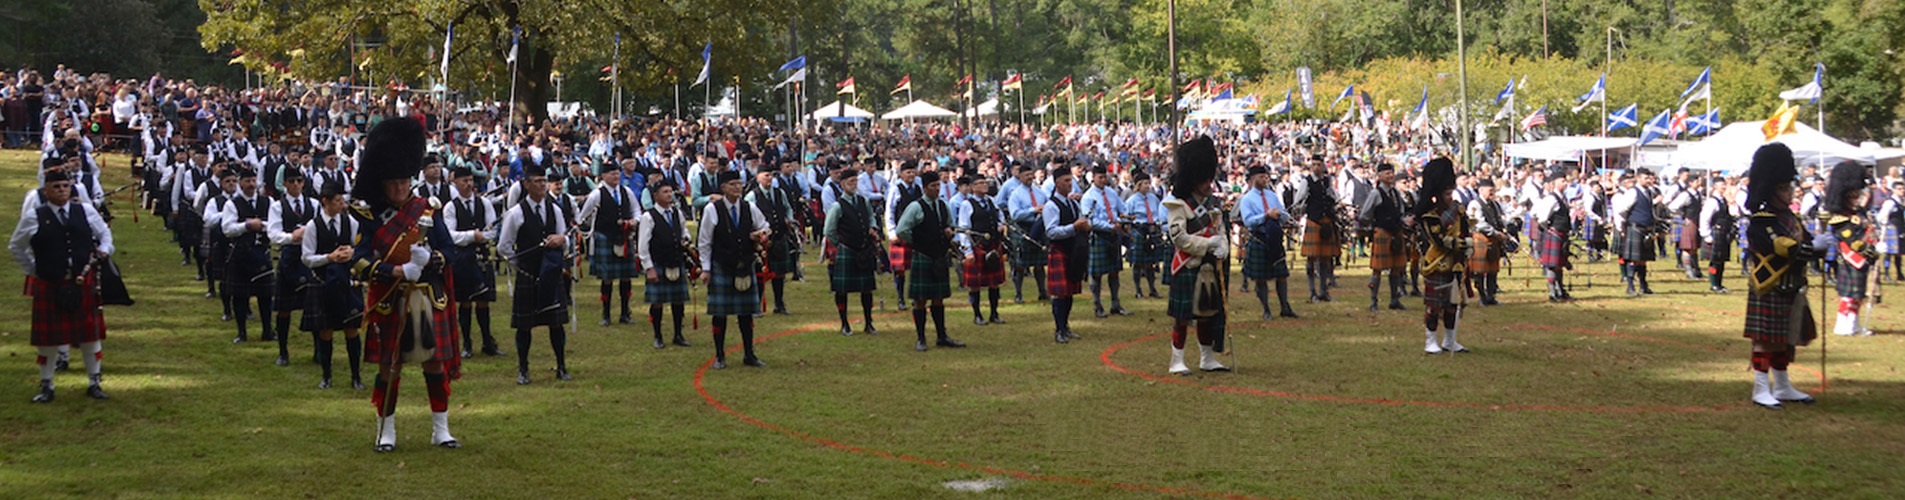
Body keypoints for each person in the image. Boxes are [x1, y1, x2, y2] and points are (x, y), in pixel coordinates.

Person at [348, 118, 461, 452]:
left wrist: (431, 261)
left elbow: (449, 249)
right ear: (382, 182)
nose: (399, 188)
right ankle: (386, 429)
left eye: (404, 181)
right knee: (390, 365)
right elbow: (359, 259)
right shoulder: (368, 217)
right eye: (393, 182)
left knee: (434, 362)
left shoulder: (427, 209)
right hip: (389, 297)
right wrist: (396, 271)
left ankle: (441, 429)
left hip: (427, 297)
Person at [11, 170, 114, 402]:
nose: (62, 190)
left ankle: (94, 382)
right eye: (56, 186)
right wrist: (34, 270)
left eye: (65, 186)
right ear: (46, 190)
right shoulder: (34, 217)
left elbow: (105, 235)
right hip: (50, 283)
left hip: (81, 280)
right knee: (47, 340)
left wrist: (104, 251)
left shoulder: (85, 211)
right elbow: (15, 246)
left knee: (89, 336)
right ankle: (47, 385)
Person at [1741, 143, 1820, 409]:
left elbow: (1804, 243)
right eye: (1785, 188)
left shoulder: (1791, 217)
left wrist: (1818, 245)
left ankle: (1783, 386)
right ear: (1772, 190)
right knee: (1765, 341)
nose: (1790, 192)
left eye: (1790, 187)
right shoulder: (1762, 220)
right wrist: (1810, 248)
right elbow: (1780, 247)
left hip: (1792, 285)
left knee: (1784, 341)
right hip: (1770, 285)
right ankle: (1760, 388)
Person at [498, 156, 574, 384]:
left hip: (551, 275)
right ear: (526, 184)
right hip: (529, 276)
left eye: (544, 181)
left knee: (556, 324)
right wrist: (522, 266)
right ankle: (523, 369)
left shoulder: (555, 210)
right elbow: (504, 245)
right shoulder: (516, 213)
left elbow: (566, 238)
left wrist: (561, 240)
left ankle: (561, 366)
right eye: (537, 181)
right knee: (524, 326)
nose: (542, 185)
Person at [1162, 137, 1230, 374]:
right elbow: (1179, 238)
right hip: (1187, 265)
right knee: (1182, 317)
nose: (1208, 184)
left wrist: (1223, 245)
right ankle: (1176, 360)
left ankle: (1207, 358)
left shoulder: (1212, 203)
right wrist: (1207, 243)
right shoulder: (1178, 205)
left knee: (1207, 314)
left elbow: (1220, 229)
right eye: (1204, 179)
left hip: (1208, 266)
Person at [698, 169, 772, 369]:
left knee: (746, 314)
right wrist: (706, 269)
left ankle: (749, 354)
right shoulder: (712, 209)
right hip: (722, 265)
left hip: (744, 265)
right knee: (720, 314)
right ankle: (720, 355)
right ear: (723, 188)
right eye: (733, 184)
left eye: (739, 184)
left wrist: (759, 234)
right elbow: (704, 242)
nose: (737, 187)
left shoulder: (749, 207)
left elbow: (766, 226)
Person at [300, 182, 366, 390]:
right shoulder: (313, 226)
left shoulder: (351, 222)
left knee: (352, 329)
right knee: (325, 331)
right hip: (323, 283)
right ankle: (326, 376)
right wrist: (330, 257)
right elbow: (307, 258)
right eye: (337, 201)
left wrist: (351, 254)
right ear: (325, 202)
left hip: (348, 282)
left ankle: (356, 377)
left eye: (342, 200)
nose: (342, 204)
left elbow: (361, 248)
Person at [894, 171, 966, 351]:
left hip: (939, 257)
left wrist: (949, 231)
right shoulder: (915, 207)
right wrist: (917, 242)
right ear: (924, 188)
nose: (936, 189)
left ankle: (942, 336)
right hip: (923, 256)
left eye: (938, 185)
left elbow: (949, 224)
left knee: (938, 298)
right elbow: (902, 229)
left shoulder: (943, 205)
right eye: (933, 186)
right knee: (920, 299)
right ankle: (921, 338)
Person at [442, 166, 505, 358]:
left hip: (482, 256)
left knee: (484, 301)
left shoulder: (484, 203)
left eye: (470, 180)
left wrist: (482, 236)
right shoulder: (450, 207)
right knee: (466, 302)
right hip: (462, 259)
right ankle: (467, 344)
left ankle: (488, 342)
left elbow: (493, 231)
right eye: (464, 181)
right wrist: (472, 235)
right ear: (456, 183)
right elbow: (449, 235)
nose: (469, 184)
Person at [1413, 159, 1472, 354]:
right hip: (1437, 263)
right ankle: (1430, 341)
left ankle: (1449, 340)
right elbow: (1438, 239)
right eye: (1447, 194)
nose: (1450, 197)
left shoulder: (1459, 210)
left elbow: (1465, 231)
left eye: (1451, 193)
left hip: (1455, 264)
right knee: (1434, 306)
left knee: (1452, 305)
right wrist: (1460, 244)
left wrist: (1468, 246)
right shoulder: (1430, 215)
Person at [266, 170, 319, 366]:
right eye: (292, 181)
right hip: (289, 256)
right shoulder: (277, 206)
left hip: (310, 256)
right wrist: (292, 237)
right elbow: (273, 233)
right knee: (284, 309)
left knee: (314, 307)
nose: (296, 184)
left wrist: (307, 233)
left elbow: (320, 226)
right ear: (285, 184)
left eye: (299, 181)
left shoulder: (313, 204)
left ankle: (318, 351)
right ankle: (283, 351)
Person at [222, 167, 278, 347]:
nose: (251, 184)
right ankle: (241, 332)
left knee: (266, 295)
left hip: (262, 253)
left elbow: (276, 225)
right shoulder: (232, 204)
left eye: (253, 181)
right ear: (240, 183)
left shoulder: (268, 201)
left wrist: (260, 225)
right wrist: (246, 225)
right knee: (240, 296)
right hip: (241, 254)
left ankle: (267, 330)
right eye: (247, 181)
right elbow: (227, 229)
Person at [578, 167, 640, 325]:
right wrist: (598, 230)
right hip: (605, 238)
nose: (616, 176)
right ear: (603, 176)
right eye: (612, 173)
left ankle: (625, 313)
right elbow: (583, 217)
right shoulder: (596, 195)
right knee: (607, 278)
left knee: (626, 278)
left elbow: (636, 210)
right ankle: (606, 315)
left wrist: (635, 221)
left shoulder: (627, 192)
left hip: (624, 238)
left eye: (617, 173)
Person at [637, 180, 694, 349]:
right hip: (658, 263)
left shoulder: (677, 213)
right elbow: (642, 246)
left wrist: (686, 240)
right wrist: (649, 268)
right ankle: (658, 336)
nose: (669, 194)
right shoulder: (648, 216)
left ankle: (678, 334)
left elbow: (685, 231)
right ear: (656, 195)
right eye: (665, 192)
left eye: (670, 191)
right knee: (657, 302)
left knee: (678, 301)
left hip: (676, 261)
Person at [825, 167, 882, 336]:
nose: (854, 184)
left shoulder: (863, 201)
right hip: (847, 251)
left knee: (867, 289)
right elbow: (829, 230)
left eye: (855, 181)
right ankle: (844, 324)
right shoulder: (837, 206)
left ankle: (868, 323)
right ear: (842, 184)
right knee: (842, 290)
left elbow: (871, 217)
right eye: (850, 182)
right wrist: (841, 244)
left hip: (864, 249)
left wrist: (872, 228)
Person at [1823, 161, 1878, 336]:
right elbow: (1851, 240)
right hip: (1851, 258)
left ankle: (1853, 323)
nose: (1857, 200)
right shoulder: (1840, 218)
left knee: (1859, 293)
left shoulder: (1858, 213)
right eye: (1854, 197)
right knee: (1849, 293)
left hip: (1861, 259)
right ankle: (1842, 324)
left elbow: (1867, 230)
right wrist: (1869, 250)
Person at [1238, 165, 1297, 319]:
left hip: (1275, 238)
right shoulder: (1247, 199)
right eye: (1261, 177)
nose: (1265, 179)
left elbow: (1284, 213)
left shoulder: (1272, 195)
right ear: (1252, 179)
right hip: (1259, 238)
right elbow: (1249, 221)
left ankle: (1285, 307)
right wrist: (1266, 215)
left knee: (1282, 275)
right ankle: (1266, 310)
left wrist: (1280, 215)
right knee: (1261, 278)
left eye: (1266, 176)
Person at [1043, 164, 1090, 344]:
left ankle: (1066, 326)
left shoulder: (1072, 203)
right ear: (1057, 183)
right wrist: (1074, 227)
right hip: (1059, 250)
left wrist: (1085, 226)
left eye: (1071, 180)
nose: (1070, 184)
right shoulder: (1050, 206)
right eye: (1066, 181)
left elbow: (1081, 221)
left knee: (1069, 292)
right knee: (1060, 294)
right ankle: (1059, 329)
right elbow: (1051, 232)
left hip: (1073, 251)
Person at [747, 163, 798, 315]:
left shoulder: (779, 192)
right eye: (766, 175)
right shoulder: (752, 196)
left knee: (780, 273)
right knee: (760, 273)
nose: (770, 178)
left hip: (780, 236)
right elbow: (747, 216)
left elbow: (788, 207)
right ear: (758, 178)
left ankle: (779, 304)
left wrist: (789, 219)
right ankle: (756, 306)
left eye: (771, 175)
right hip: (762, 240)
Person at [1081, 166, 1131, 317]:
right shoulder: (1088, 197)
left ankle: (1116, 304)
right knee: (1096, 274)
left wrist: (1121, 221)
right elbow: (1089, 219)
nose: (1103, 180)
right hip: (1099, 235)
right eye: (1100, 177)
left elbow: (1123, 209)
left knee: (1114, 271)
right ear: (1093, 178)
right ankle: (1097, 305)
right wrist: (1109, 226)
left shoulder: (1111, 193)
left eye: (1105, 177)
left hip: (1114, 236)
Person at [1359, 163, 1409, 312]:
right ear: (1379, 176)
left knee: (1396, 268)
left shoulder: (1395, 193)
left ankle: (1395, 300)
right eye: (1387, 173)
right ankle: (1373, 302)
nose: (1390, 176)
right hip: (1382, 232)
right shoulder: (1376, 193)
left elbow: (1400, 212)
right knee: (1377, 269)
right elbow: (1364, 214)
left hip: (1396, 232)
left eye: (1392, 173)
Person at [959, 175, 1008, 325]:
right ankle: (977, 315)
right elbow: (964, 229)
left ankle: (994, 313)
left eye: (985, 183)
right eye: (980, 183)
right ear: (972, 187)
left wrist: (1001, 225)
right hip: (977, 247)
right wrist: (968, 252)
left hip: (993, 245)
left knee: (994, 283)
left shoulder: (992, 201)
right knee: (976, 284)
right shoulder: (967, 205)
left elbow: (1000, 217)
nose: (984, 185)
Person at [1004, 163, 1050, 303]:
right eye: (1026, 175)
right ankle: (1018, 294)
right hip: (1022, 229)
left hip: (1039, 228)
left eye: (1031, 174)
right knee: (1020, 264)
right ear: (1020, 176)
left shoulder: (1040, 192)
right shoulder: (1015, 195)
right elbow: (1015, 215)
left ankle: (1042, 292)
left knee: (1039, 264)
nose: (1029, 177)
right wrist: (1033, 210)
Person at [1298, 157, 1342, 302]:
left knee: (1326, 258)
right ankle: (1312, 292)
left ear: (1323, 166)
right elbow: (1298, 202)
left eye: (1319, 164)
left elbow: (1334, 198)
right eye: (1314, 165)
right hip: (1314, 222)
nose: (1316, 167)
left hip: (1327, 222)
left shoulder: (1327, 181)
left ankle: (1324, 291)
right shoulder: (1306, 182)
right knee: (1311, 259)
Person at [1122, 171, 1168, 299]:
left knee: (1151, 262)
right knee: (1137, 262)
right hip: (1139, 230)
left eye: (1148, 183)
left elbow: (1158, 213)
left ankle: (1152, 289)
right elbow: (1126, 218)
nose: (1148, 186)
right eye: (1145, 183)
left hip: (1152, 229)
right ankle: (1138, 290)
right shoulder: (1131, 201)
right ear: (1138, 185)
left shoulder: (1153, 198)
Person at [1615, 169, 1661, 295]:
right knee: (1633, 259)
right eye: (1646, 178)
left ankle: (1643, 286)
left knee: (1643, 259)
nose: (1649, 180)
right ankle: (1630, 286)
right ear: (1639, 178)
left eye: (1650, 178)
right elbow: (1621, 209)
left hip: (1646, 228)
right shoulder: (1632, 192)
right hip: (1635, 227)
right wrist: (1627, 223)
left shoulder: (1649, 192)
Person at [884, 162, 923, 309]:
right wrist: (892, 233)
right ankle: (900, 298)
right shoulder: (896, 189)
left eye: (913, 172)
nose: (911, 175)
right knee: (900, 269)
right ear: (901, 175)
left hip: (917, 233)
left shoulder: (919, 189)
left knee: (917, 267)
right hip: (900, 233)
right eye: (908, 173)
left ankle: (915, 296)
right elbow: (890, 212)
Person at [1532, 172, 1574, 302]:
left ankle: (1560, 290)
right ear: (1554, 183)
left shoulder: (1563, 197)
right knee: (1552, 265)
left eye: (1565, 180)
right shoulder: (1551, 198)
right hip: (1555, 233)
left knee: (1559, 264)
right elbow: (1542, 217)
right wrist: (1551, 229)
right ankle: (1552, 292)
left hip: (1562, 234)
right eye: (1562, 181)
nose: (1565, 183)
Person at [1466, 178, 1508, 305]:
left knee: (1493, 270)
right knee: (1479, 271)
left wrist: (1505, 228)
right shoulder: (1475, 204)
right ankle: (1482, 297)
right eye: (1490, 190)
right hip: (1481, 239)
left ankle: (1491, 296)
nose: (1492, 193)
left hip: (1493, 240)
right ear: (1481, 190)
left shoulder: (1494, 204)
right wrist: (1495, 232)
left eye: (1493, 190)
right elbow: (1479, 223)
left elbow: (1499, 218)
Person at [1700, 181, 1741, 294]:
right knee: (1715, 261)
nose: (1724, 187)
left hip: (1723, 234)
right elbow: (1705, 218)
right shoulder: (1712, 201)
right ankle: (1714, 284)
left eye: (1724, 185)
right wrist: (1706, 235)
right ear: (1715, 186)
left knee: (1721, 261)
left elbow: (1733, 215)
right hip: (1715, 233)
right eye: (1721, 185)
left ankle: (1719, 283)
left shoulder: (1724, 201)